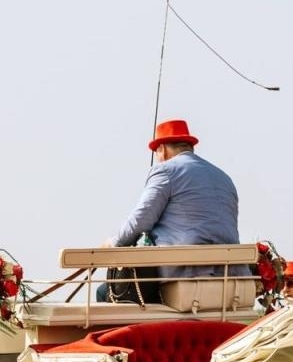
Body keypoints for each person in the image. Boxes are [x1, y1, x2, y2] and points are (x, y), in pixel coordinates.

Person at [99, 118, 239, 301]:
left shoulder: (165, 171)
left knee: (103, 292)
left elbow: (141, 219)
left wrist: (113, 243)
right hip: (234, 274)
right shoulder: (224, 177)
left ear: (162, 149)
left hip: (185, 274)